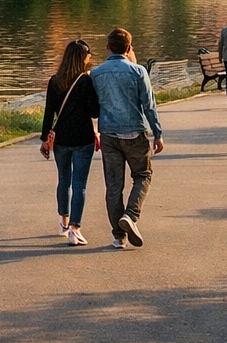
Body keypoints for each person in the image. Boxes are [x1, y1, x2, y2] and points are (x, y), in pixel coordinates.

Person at [92, 27, 164, 249]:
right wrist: (157, 133)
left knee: (113, 186)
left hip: (109, 133)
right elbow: (149, 105)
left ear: (107, 47)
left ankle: (118, 237)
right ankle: (130, 216)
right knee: (143, 175)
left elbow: (93, 106)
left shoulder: (96, 73)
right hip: (134, 131)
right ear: (130, 47)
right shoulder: (138, 71)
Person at [39, 40, 100, 246]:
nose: (90, 57)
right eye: (89, 54)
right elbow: (94, 112)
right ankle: (75, 228)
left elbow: (49, 113)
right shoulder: (85, 81)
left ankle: (63, 222)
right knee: (79, 184)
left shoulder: (54, 81)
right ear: (82, 58)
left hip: (61, 139)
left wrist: (44, 139)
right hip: (83, 138)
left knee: (63, 180)